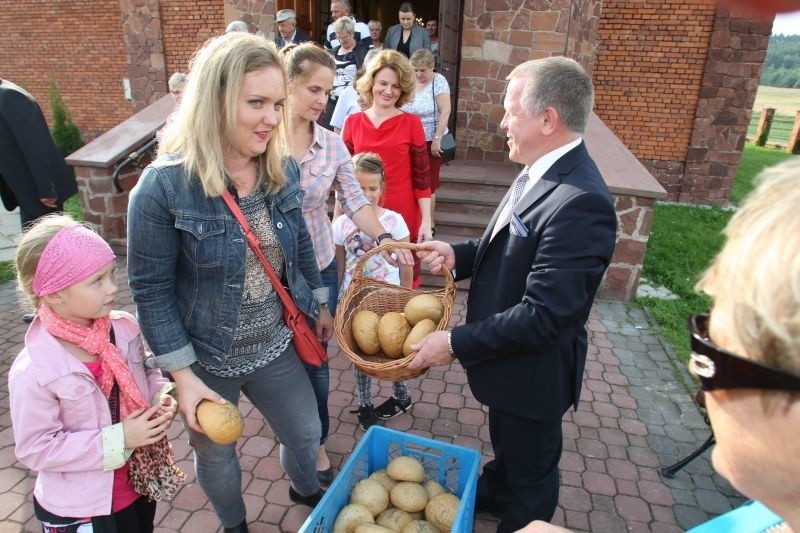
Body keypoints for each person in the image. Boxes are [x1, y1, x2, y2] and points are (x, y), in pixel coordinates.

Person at [516, 158, 800, 533]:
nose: (695, 378)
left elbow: (549, 313)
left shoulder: (582, 198)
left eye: (710, 356)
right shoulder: (770, 513)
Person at [127, 33, 332, 532]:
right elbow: (150, 290)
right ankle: (234, 524)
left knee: (306, 435)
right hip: (205, 360)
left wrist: (319, 301)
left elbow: (300, 244)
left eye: (278, 104)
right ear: (215, 100)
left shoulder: (280, 166)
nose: (271, 118)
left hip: (276, 345)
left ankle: (303, 486)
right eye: (256, 102)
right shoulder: (162, 188)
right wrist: (184, 377)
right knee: (218, 459)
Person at [409, 56, 618, 532]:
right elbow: (506, 247)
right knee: (508, 444)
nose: (501, 123)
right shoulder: (538, 171)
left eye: (510, 113)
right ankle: (499, 488)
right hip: (508, 368)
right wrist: (458, 255)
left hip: (533, 375)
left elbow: (545, 316)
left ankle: (521, 514)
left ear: (548, 119)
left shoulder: (581, 201)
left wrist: (455, 343)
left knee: (534, 473)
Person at [281, 42, 411, 486]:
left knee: (316, 357)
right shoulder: (260, 139)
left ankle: (316, 443)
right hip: (268, 274)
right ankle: (292, 432)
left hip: (317, 269)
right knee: (280, 360)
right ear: (288, 85)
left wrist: (388, 239)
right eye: (312, 89)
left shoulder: (334, 147)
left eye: (327, 91)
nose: (321, 100)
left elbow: (355, 202)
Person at [9, 214, 183, 532]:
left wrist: (161, 394)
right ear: (53, 293)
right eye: (97, 280)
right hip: (82, 509)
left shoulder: (123, 328)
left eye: (112, 274)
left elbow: (145, 372)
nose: (113, 287)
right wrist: (118, 440)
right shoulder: (35, 369)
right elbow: (36, 447)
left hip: (136, 486)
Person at [332, 153, 415, 431]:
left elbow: (406, 267)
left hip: (388, 300)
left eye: (372, 188)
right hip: (354, 301)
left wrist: (406, 299)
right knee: (360, 354)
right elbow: (340, 268)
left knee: (393, 349)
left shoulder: (395, 222)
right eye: (359, 189)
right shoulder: (341, 224)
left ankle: (401, 396)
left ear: (383, 188)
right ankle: (365, 403)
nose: (366, 195)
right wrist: (337, 302)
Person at [341, 49, 433, 288]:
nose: (388, 91)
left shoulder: (412, 124)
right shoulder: (352, 123)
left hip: (403, 213)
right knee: (360, 275)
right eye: (383, 83)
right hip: (363, 211)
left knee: (402, 281)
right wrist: (338, 218)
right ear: (371, 83)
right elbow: (343, 180)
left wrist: (426, 221)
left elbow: (423, 179)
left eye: (396, 86)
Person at [0, 79, 77, 230]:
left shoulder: (11, 97)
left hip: (39, 193)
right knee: (36, 244)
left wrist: (48, 189)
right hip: (24, 191)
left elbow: (36, 145)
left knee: (45, 243)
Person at [401, 49, 450, 235]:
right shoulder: (409, 80)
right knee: (410, 180)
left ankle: (429, 223)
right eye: (415, 70)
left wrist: (438, 138)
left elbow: (445, 111)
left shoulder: (438, 81)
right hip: (409, 138)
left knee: (428, 184)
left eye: (423, 70)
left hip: (430, 139)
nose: (419, 74)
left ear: (432, 68)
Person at [324, 17, 371, 131]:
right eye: (338, 37)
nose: (341, 40)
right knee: (330, 132)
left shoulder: (363, 51)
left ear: (352, 34)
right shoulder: (332, 52)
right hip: (333, 100)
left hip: (353, 99)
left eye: (344, 37)